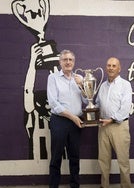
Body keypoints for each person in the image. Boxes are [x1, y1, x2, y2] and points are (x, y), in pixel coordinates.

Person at [47, 49, 85, 188]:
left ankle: (75, 186)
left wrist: (82, 85)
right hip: (59, 122)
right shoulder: (53, 78)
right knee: (56, 157)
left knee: (75, 157)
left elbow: (87, 101)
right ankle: (53, 186)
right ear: (60, 62)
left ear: (74, 62)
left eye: (70, 60)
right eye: (65, 59)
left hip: (76, 122)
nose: (68, 62)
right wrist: (72, 117)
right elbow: (53, 103)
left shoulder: (79, 78)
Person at [96, 57, 133, 188]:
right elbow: (97, 105)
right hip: (103, 127)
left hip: (119, 126)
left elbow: (125, 108)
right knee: (103, 160)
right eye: (109, 65)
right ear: (106, 68)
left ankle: (126, 186)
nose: (111, 68)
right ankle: (104, 186)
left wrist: (111, 120)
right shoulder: (102, 86)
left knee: (123, 161)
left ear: (119, 68)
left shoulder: (125, 85)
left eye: (114, 65)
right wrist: (90, 110)